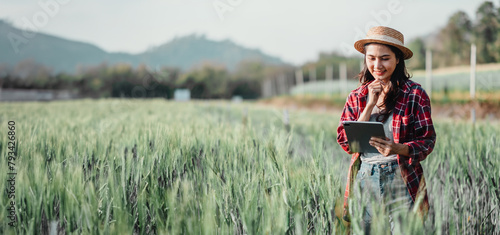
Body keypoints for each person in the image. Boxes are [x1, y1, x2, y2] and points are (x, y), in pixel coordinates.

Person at [336, 26, 436, 233]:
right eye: (371, 58)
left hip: (401, 178)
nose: (377, 65)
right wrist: (370, 104)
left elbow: (427, 141)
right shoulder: (357, 96)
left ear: (398, 59)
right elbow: (346, 142)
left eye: (384, 58)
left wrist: (397, 148)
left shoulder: (414, 94)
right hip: (365, 178)